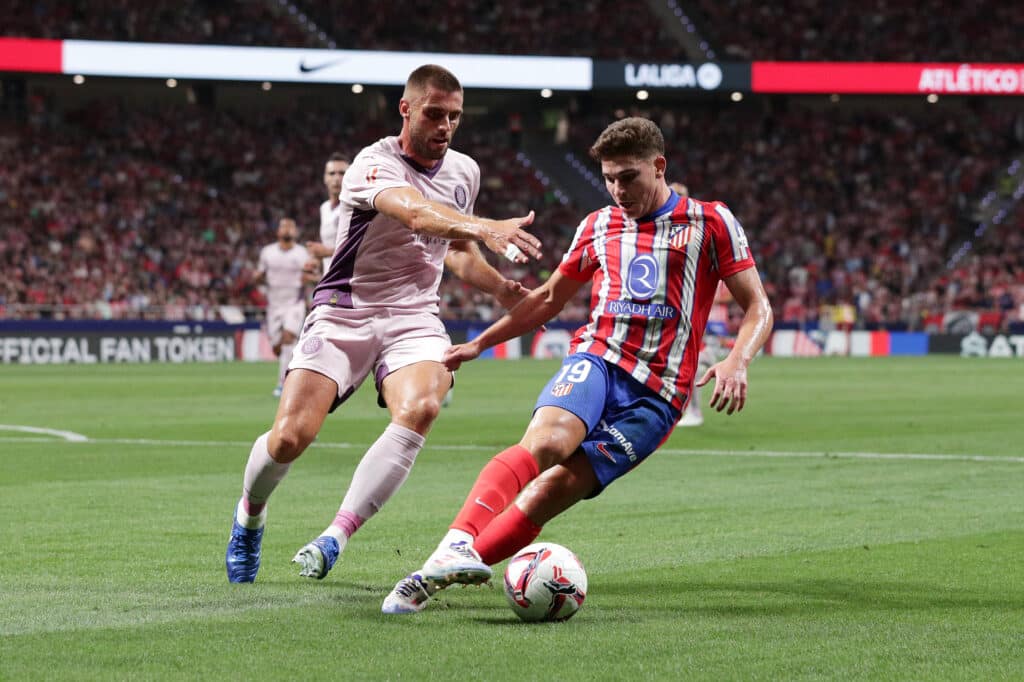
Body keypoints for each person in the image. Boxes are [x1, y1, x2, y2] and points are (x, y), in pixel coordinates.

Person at [381, 117, 773, 614]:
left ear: (659, 167)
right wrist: (479, 343)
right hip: (599, 360)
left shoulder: (710, 222)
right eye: (608, 178)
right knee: (547, 441)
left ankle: (428, 582)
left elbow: (758, 305)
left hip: (658, 396)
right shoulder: (598, 225)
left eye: (627, 177)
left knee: (549, 494)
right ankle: (454, 543)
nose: (616, 190)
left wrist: (738, 360)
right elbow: (547, 298)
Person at [225, 64, 543, 583]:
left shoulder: (465, 172)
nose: (445, 126)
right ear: (407, 109)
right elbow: (417, 215)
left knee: (421, 406)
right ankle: (249, 517)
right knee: (289, 438)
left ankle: (336, 535)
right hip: (345, 310)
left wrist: (500, 288)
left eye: (454, 117)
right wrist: (487, 226)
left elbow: (456, 252)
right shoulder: (371, 164)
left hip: (414, 315)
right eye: (435, 114)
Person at [668, 182, 729, 428]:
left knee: (690, 368)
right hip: (683, 320)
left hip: (703, 325)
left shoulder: (701, 231)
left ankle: (692, 413)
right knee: (681, 369)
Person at [253, 218, 316, 397]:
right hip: (274, 304)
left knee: (289, 338)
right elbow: (260, 274)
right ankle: (290, 367)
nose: (287, 229)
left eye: (291, 226)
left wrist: (309, 278)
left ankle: (283, 384)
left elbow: (311, 275)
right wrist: (257, 277)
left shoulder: (302, 253)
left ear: (295, 232)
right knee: (277, 347)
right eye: (283, 226)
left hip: (293, 303)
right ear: (277, 231)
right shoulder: (267, 252)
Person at [305, 153, 350, 276]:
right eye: (332, 173)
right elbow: (329, 247)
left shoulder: (356, 207)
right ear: (325, 178)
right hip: (329, 278)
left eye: (342, 173)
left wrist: (326, 252)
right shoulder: (324, 208)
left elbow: (362, 249)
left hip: (348, 281)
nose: (337, 178)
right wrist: (316, 260)